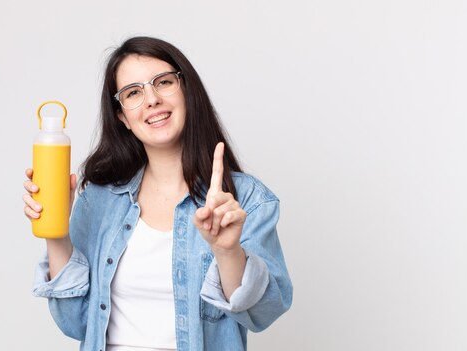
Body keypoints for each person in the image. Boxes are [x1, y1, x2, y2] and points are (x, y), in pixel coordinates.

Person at [23, 36, 292, 351]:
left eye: (163, 82)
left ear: (187, 91)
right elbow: (75, 322)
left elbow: (263, 313)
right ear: (122, 116)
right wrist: (56, 232)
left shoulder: (246, 200)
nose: (151, 100)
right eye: (133, 92)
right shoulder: (99, 199)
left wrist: (227, 251)